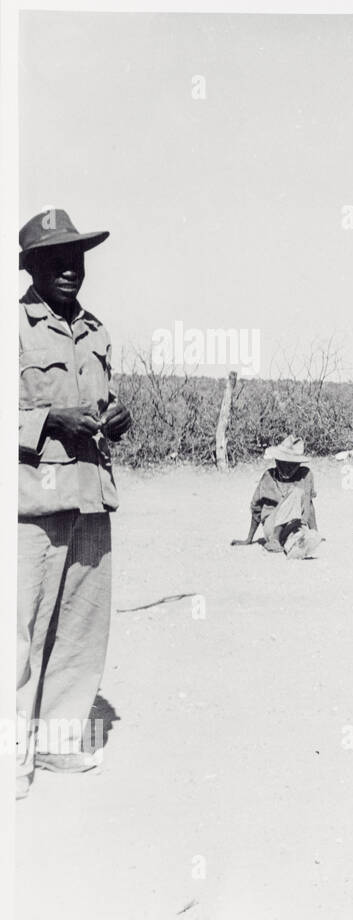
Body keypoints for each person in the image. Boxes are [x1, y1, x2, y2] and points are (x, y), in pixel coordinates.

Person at [17, 208, 133, 798]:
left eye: (77, 258)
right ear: (31, 265)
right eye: (55, 259)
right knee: (20, 631)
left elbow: (102, 403)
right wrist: (45, 419)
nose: (69, 269)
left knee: (81, 630)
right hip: (30, 503)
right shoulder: (11, 327)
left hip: (91, 495)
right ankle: (12, 760)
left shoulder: (96, 330)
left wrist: (118, 416)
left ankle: (59, 746)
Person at [234, 435, 323, 558]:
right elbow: (256, 509)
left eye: (292, 465)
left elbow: (309, 504)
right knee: (296, 492)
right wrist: (248, 539)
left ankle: (294, 546)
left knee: (299, 535)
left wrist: (315, 532)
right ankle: (275, 540)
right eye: (284, 464)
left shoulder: (305, 475)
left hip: (295, 525)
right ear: (277, 461)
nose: (287, 469)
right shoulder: (268, 477)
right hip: (272, 525)